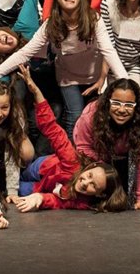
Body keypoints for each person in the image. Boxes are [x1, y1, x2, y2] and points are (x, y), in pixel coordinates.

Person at [0, 0, 128, 136]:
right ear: (57, 0)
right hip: (68, 78)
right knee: (75, 117)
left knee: (95, 120)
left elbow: (108, 51)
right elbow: (24, 53)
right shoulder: (51, 25)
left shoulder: (94, 19)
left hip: (93, 76)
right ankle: (70, 152)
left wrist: (127, 84)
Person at [11, 65, 129, 212]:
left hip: (45, 187)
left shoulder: (83, 202)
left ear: (99, 194)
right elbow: (53, 130)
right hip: (44, 168)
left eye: (93, 185)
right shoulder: (71, 161)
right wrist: (36, 92)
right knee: (20, 176)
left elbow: (57, 202)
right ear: (89, 168)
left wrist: (40, 198)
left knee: (19, 191)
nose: (85, 183)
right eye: (89, 175)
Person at [74, 79, 140, 211]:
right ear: (107, 102)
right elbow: (83, 148)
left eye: (129, 105)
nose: (122, 110)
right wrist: (106, 170)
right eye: (116, 103)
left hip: (124, 157)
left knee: (121, 203)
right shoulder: (90, 116)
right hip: (93, 159)